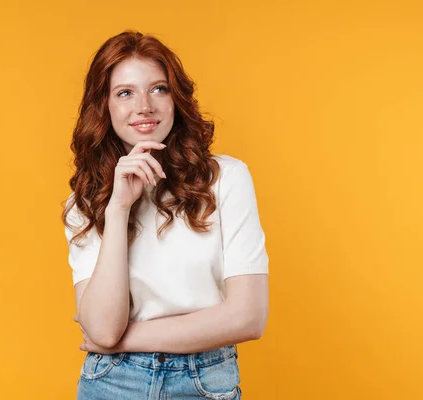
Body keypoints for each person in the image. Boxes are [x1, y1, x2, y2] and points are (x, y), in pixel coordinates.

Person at [62, 30, 269, 400]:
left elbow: (248, 317)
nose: (144, 106)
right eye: (125, 92)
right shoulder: (87, 202)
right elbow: (102, 327)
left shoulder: (225, 179)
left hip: (204, 382)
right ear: (104, 107)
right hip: (111, 382)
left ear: (177, 99)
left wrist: (126, 339)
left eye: (159, 89)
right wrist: (118, 208)